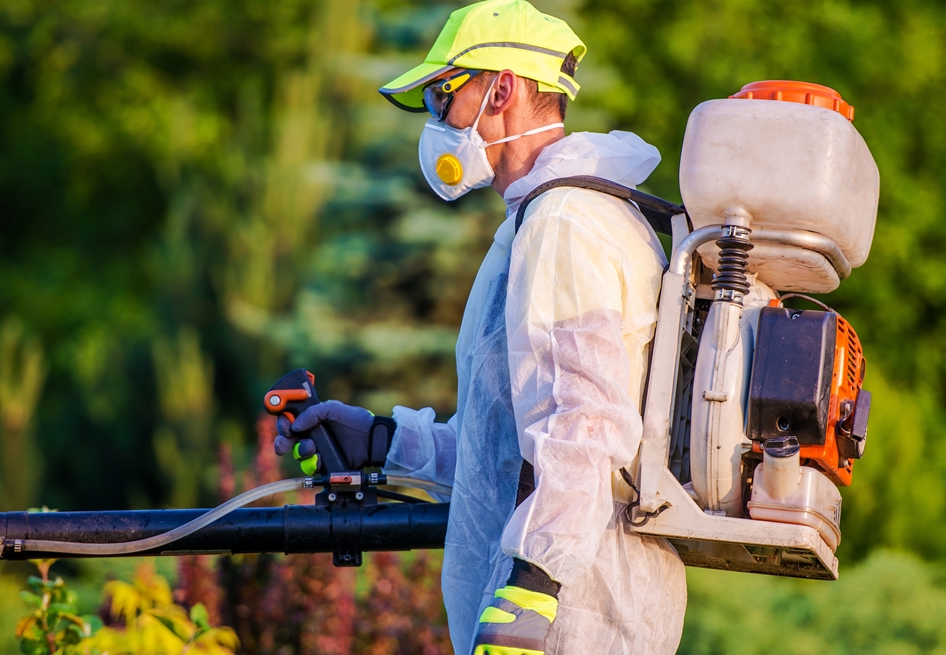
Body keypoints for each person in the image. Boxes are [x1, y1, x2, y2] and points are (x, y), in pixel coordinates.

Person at [274, 1, 687, 653]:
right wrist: (385, 441)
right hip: (559, 615)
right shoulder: (547, 220)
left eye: (444, 94)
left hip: (569, 619)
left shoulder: (565, 223)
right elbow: (507, 447)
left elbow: (585, 425)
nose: (437, 120)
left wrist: (530, 587)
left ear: (502, 89)